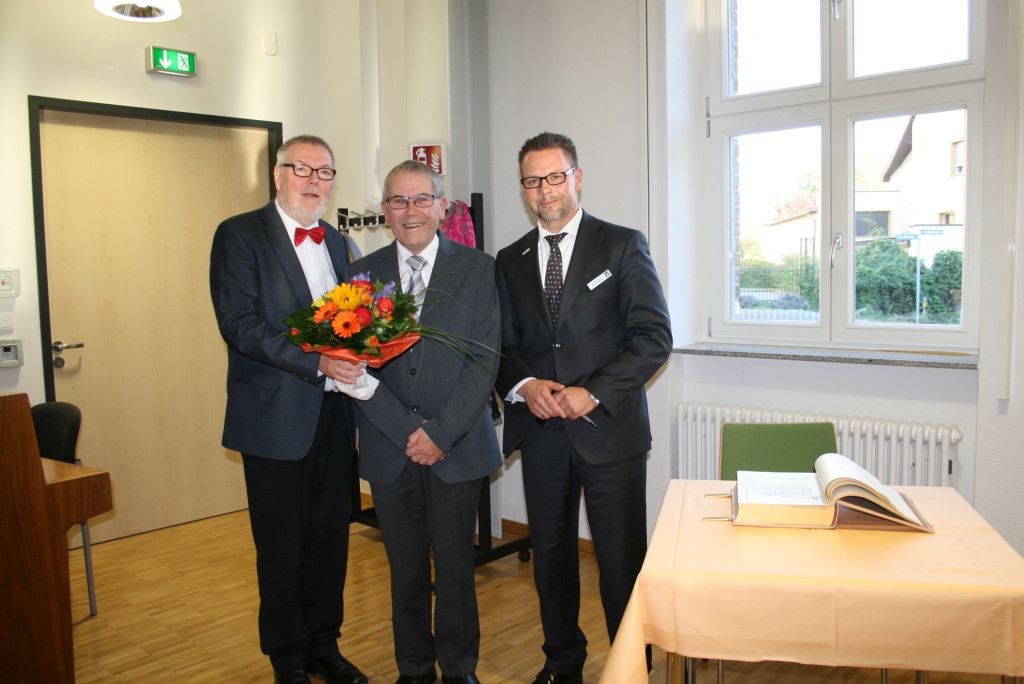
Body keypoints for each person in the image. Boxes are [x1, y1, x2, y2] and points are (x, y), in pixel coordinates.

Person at [494, 132, 672, 684]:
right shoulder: (509, 259)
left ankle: (629, 669)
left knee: (619, 564)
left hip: (608, 431)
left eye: (554, 176)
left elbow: (652, 337)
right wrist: (525, 385)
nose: (544, 190)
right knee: (550, 560)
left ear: (577, 176)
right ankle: (561, 662)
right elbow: (501, 347)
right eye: (532, 180)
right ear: (523, 187)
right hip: (542, 434)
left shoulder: (620, 244)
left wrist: (591, 390)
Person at [209, 135, 368, 684]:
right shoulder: (239, 234)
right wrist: (318, 362)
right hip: (275, 418)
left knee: (329, 539)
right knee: (281, 544)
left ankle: (325, 645)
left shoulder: (342, 244)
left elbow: (355, 324)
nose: (314, 181)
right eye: (302, 168)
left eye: (325, 172)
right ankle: (287, 657)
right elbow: (240, 325)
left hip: (333, 416)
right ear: (277, 174)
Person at [349, 160, 500, 684]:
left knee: (456, 568)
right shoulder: (361, 276)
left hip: (457, 446)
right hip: (390, 449)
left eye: (420, 200)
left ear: (441, 206)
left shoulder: (479, 269)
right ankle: (413, 670)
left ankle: (459, 670)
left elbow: (484, 362)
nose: (409, 211)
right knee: (405, 569)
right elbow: (356, 369)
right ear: (385, 210)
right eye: (397, 201)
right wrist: (405, 432)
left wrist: (438, 433)